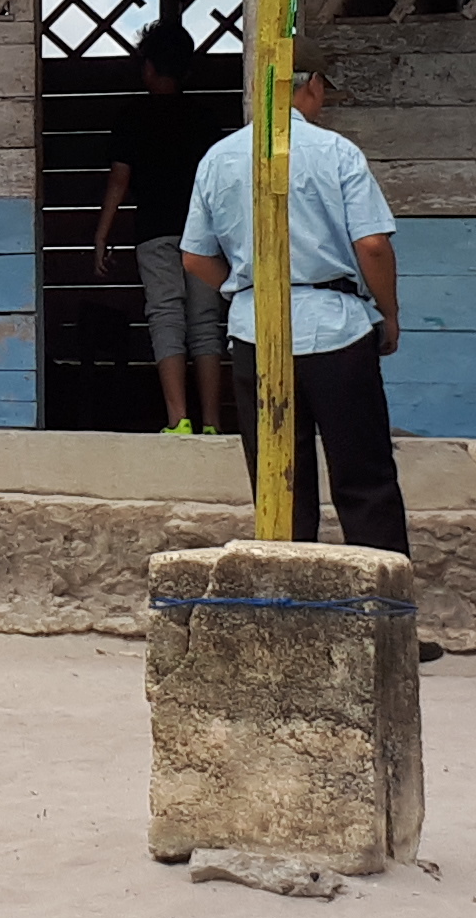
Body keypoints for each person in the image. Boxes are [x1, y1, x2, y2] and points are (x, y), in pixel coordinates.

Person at [177, 42, 414, 554]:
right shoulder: (336, 152)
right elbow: (373, 245)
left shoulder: (219, 158)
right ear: (313, 86)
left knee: (280, 487)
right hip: (337, 331)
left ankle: (287, 597)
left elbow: (194, 257)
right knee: (364, 480)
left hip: (254, 335)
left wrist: (246, 290)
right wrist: (389, 313)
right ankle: (380, 598)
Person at [89, 30, 235, 434]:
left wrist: (101, 235)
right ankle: (212, 422)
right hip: (204, 236)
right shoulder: (205, 117)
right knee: (205, 322)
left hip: (155, 233)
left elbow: (119, 180)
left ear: (149, 68)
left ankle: (178, 420)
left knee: (166, 316)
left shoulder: (132, 117)